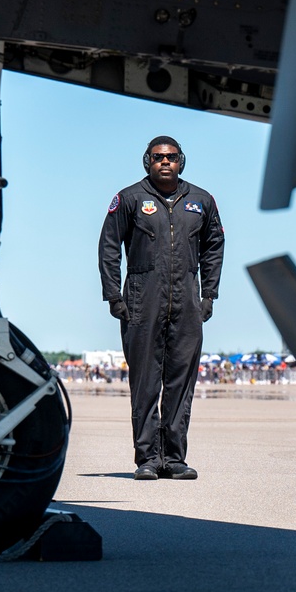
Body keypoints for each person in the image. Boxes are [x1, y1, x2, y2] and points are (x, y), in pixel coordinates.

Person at [98, 135, 225, 480]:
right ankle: (148, 459)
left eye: (171, 157)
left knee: (180, 383)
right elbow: (109, 247)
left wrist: (209, 295)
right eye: (157, 157)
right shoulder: (129, 199)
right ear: (147, 162)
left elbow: (214, 246)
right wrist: (114, 295)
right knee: (145, 383)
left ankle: (174, 458)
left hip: (187, 299)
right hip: (141, 298)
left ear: (181, 161)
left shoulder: (201, 200)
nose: (164, 162)